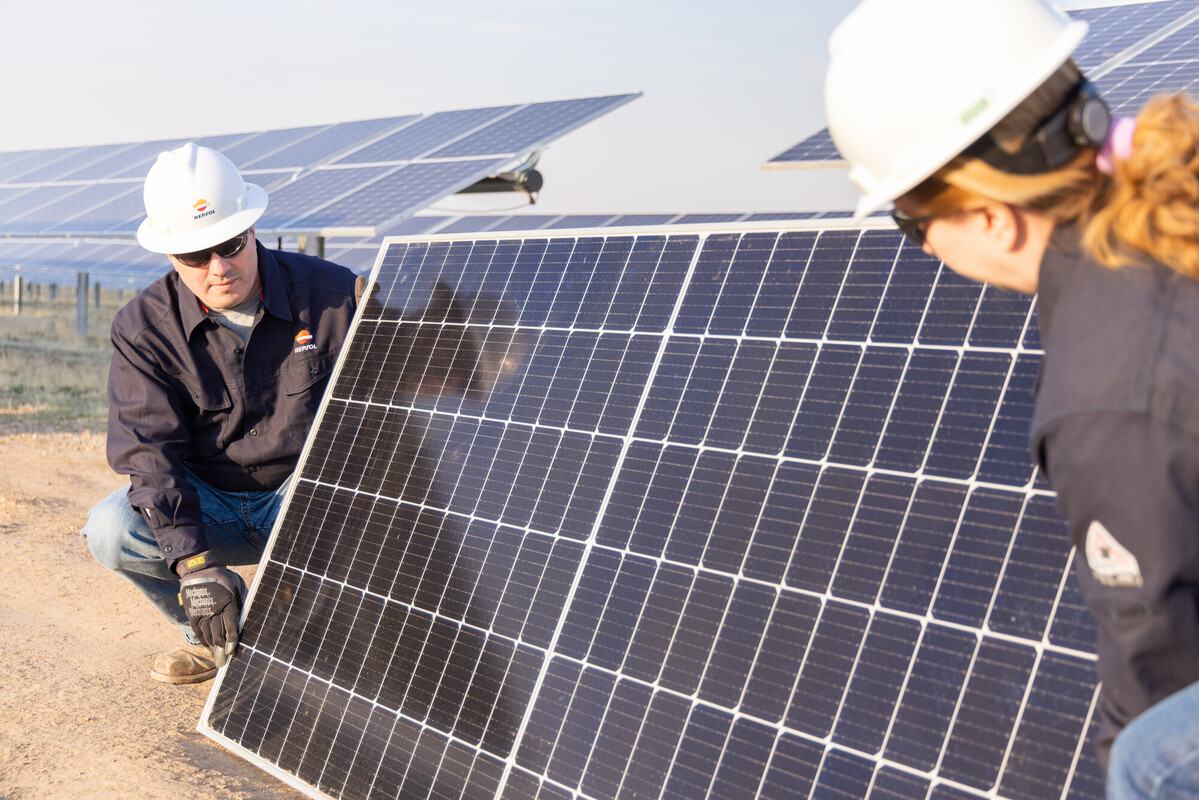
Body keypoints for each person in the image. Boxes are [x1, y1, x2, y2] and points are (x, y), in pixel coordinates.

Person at [825, 1, 1199, 796]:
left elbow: (1159, 663)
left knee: (1153, 756)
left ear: (990, 217)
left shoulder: (1107, 393)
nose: (921, 248)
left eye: (909, 222)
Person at [80, 143, 358, 684]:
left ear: (252, 228)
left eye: (230, 244)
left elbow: (399, 409)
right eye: (196, 255)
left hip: (303, 498)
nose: (219, 267)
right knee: (111, 530)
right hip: (213, 502)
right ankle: (213, 636)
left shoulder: (334, 297)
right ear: (169, 256)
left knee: (381, 519)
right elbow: (148, 453)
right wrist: (194, 565)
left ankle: (318, 639)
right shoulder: (144, 328)